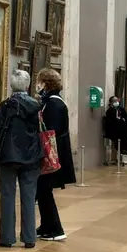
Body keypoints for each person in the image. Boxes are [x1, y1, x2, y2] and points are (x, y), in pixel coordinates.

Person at [0, 69, 44, 249]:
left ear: (11, 85)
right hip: (31, 155)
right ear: (27, 85)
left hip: (8, 155)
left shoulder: (5, 105)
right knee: (29, 196)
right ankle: (29, 238)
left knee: (7, 195)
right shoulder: (36, 106)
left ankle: (7, 238)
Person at [35, 68, 75, 242]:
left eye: (40, 81)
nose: (38, 85)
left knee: (44, 191)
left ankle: (56, 229)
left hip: (52, 155)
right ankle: (46, 226)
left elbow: (50, 132)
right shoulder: (52, 102)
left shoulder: (54, 104)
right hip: (54, 153)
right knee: (43, 190)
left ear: (46, 83)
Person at [103, 96, 127, 165]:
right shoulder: (109, 111)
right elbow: (111, 122)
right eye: (114, 101)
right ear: (111, 103)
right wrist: (120, 120)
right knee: (124, 132)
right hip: (113, 130)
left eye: (116, 100)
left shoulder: (121, 109)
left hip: (121, 129)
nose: (116, 102)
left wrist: (122, 120)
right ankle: (125, 146)